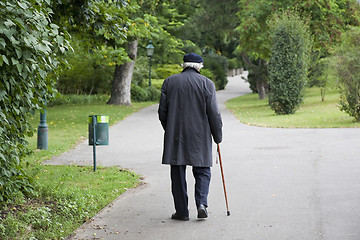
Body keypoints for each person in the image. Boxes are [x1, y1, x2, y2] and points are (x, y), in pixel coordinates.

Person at [158, 53, 223, 221]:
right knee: (202, 170)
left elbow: (162, 112)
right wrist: (218, 137)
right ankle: (201, 204)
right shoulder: (207, 83)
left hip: (176, 134)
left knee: (177, 173)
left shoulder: (169, 82)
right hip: (199, 134)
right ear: (199, 66)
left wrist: (169, 129)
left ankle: (182, 212)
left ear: (183, 65)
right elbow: (214, 113)